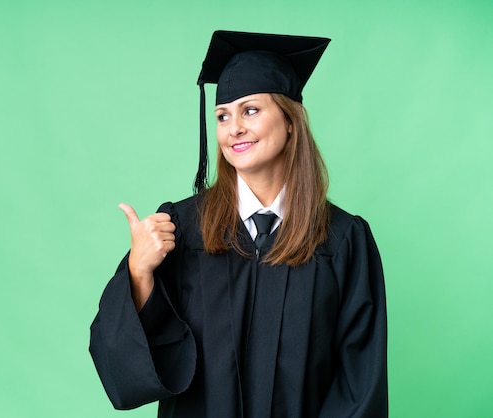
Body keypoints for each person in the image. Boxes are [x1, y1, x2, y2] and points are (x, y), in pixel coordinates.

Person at [90, 30, 388, 418]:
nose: (234, 129)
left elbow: (358, 381)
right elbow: (133, 363)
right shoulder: (183, 227)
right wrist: (139, 271)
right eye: (222, 116)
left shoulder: (342, 239)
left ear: (291, 120)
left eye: (251, 110)